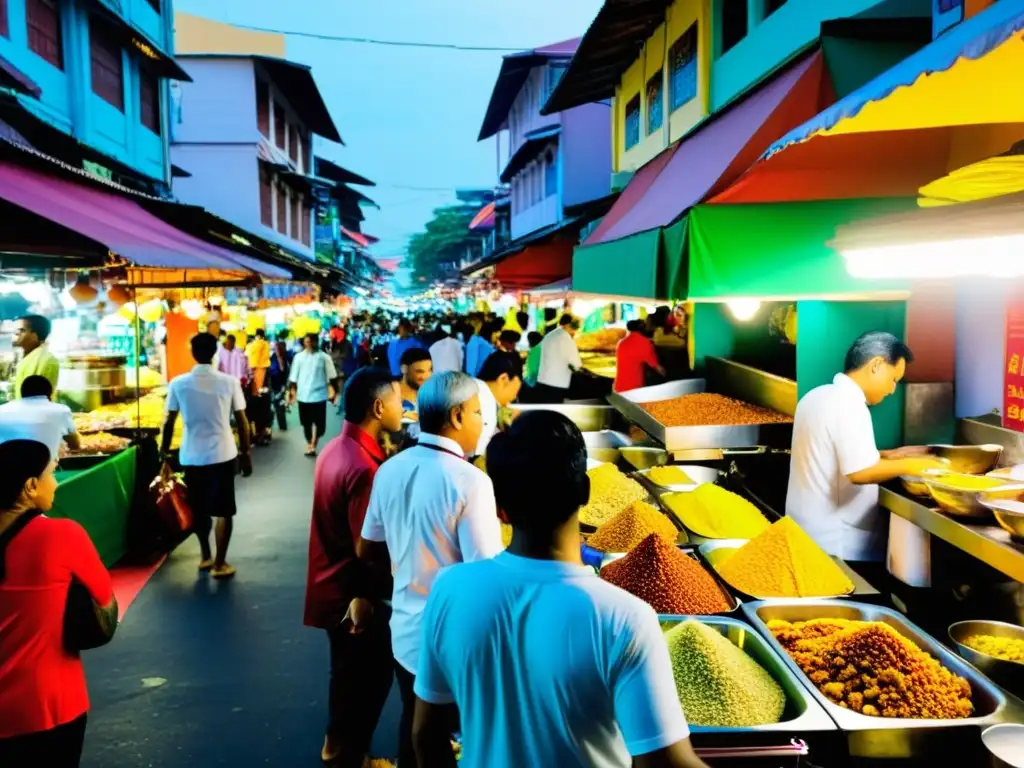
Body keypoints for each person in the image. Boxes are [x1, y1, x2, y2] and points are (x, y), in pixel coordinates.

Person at [412, 411, 708, 768]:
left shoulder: (448, 590)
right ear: (584, 491)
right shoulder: (625, 619)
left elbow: (426, 736)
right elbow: (664, 764)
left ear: (501, 510)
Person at [358, 371, 504, 768]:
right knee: (453, 740)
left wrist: (406, 570)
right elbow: (485, 575)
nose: (481, 422)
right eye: (477, 413)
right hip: (454, 643)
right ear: (456, 418)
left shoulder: (390, 469)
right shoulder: (471, 482)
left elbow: (367, 547)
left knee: (416, 724)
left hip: (405, 632)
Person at [305, 368, 404, 768]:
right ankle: (352, 756)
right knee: (370, 679)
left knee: (346, 676)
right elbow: (368, 547)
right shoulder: (365, 469)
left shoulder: (336, 448)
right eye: (399, 400)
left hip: (329, 583)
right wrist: (371, 593)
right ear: (379, 407)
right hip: (354, 594)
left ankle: (337, 746)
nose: (404, 407)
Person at [0, 440, 117, 767]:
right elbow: (104, 597)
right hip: (47, 706)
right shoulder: (61, 536)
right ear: (30, 486)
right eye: (52, 472)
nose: (56, 481)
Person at [786, 332, 947, 563]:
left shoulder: (817, 396)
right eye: (894, 379)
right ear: (877, 365)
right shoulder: (849, 405)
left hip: (805, 534)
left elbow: (831, 454)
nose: (892, 390)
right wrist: (917, 464)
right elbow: (859, 473)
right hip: (836, 545)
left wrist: (889, 456)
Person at [162, 333, 252, 580]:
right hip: (223, 453)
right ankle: (220, 563)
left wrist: (163, 451)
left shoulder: (178, 384)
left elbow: (168, 421)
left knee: (199, 509)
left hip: (191, 455)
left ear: (193, 353)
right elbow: (242, 421)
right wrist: (246, 453)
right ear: (214, 352)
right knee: (224, 510)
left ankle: (205, 556)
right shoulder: (229, 382)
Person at [0, 376, 81, 457]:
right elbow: (74, 444)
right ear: (51, 394)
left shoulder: (2, 410)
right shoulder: (61, 410)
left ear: (22, 393)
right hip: (44, 465)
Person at [288, 333, 339, 457]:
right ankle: (310, 443)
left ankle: (314, 442)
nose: (309, 344)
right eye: (307, 342)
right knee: (306, 423)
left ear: (317, 342)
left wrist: (333, 392)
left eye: (311, 342)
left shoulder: (324, 357)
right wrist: (292, 392)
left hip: (319, 396)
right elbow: (293, 378)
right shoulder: (298, 357)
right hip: (303, 396)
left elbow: (332, 377)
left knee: (320, 425)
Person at [473, 351, 523, 457]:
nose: (514, 397)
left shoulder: (474, 388)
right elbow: (482, 454)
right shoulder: (486, 404)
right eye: (517, 390)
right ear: (504, 379)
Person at [535, 314, 583, 403]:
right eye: (575, 328)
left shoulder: (550, 335)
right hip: (556, 383)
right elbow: (576, 364)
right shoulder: (566, 339)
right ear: (568, 325)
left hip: (543, 380)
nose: (574, 332)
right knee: (554, 410)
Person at [12, 314, 60, 399]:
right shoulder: (27, 358)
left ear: (35, 335)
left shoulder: (45, 360)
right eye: (16, 331)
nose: (16, 334)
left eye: (22, 330)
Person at [615, 320, 666, 393]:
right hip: (634, 390)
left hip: (619, 388)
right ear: (642, 328)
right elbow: (658, 368)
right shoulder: (644, 342)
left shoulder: (621, 343)